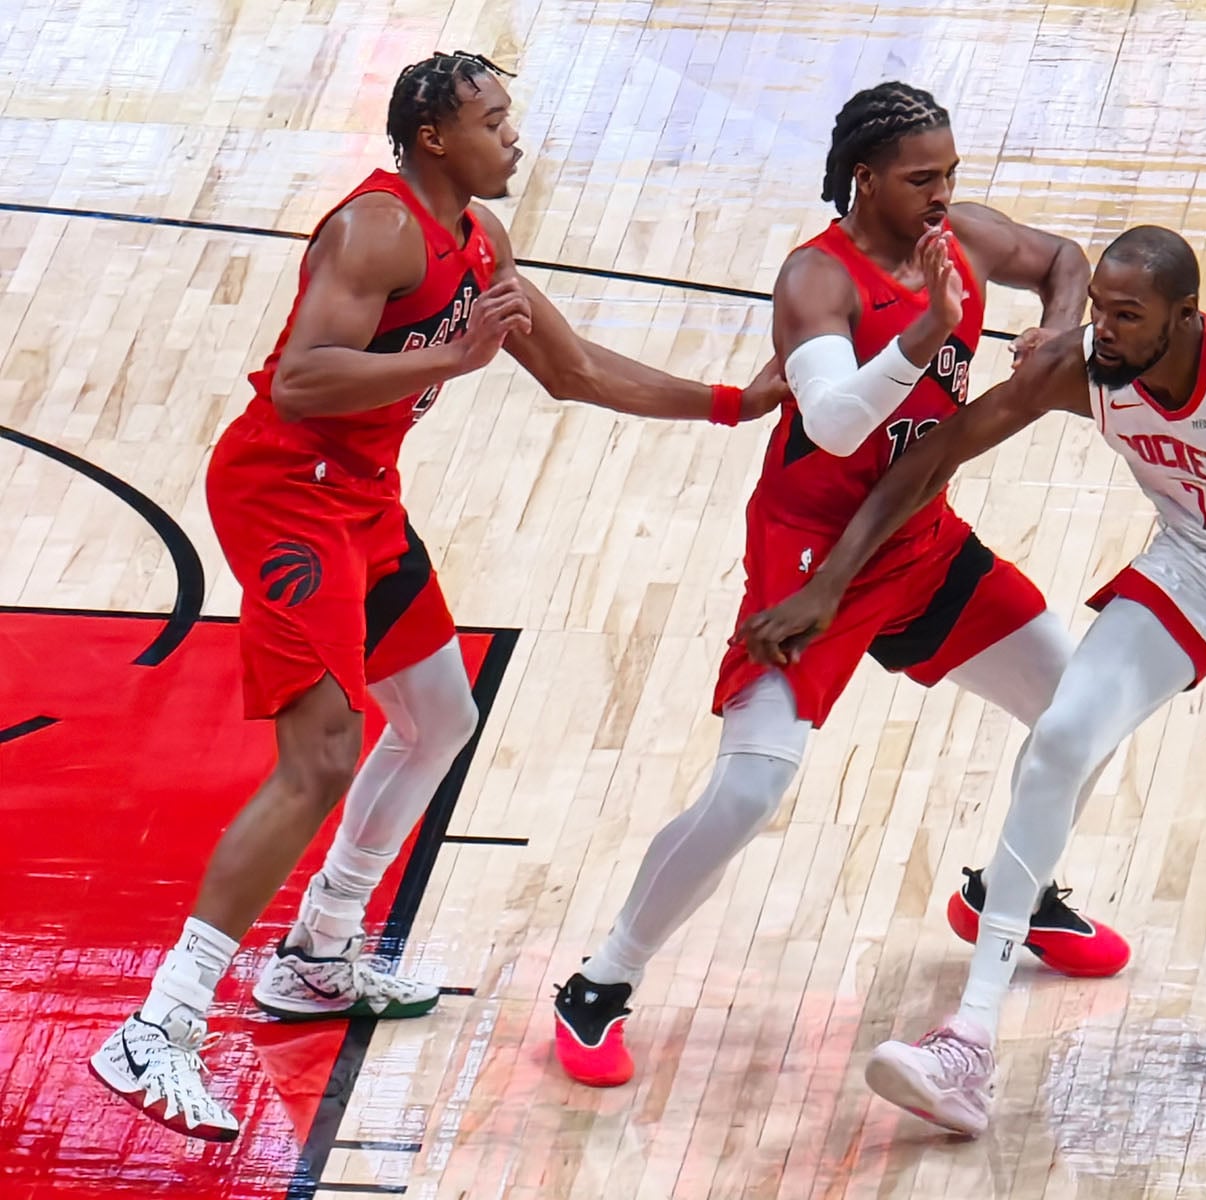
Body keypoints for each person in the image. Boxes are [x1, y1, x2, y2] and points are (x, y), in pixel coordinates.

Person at [87, 51, 784, 1142]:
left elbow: (570, 369)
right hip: (287, 497)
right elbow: (300, 377)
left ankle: (317, 953)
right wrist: (450, 360)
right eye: (494, 122)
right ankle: (158, 1024)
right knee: (318, 754)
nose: (514, 140)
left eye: (510, 119)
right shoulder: (375, 232)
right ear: (431, 140)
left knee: (439, 715)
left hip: (362, 496)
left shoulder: (479, 237)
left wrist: (733, 403)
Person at [738, 224, 1206, 1136]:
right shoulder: (1078, 367)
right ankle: (970, 1039)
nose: (1101, 330)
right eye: (1098, 307)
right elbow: (934, 454)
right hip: (1193, 564)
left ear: (1184, 319)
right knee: (1061, 738)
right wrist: (831, 583)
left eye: (1126, 316)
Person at [551, 81, 1130, 1091]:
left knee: (1077, 710)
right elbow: (834, 425)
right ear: (863, 176)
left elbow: (1069, 259)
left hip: (920, 536)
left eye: (950, 172)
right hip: (813, 550)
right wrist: (923, 337)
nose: (943, 195)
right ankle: (599, 983)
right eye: (921, 179)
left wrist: (1058, 324)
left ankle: (1011, 890)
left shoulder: (965, 236)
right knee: (750, 788)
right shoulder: (816, 282)